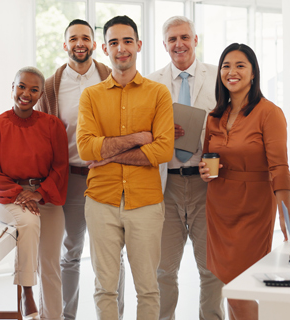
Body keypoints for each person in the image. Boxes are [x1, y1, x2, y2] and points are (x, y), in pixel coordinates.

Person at [76, 15, 174, 320]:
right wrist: (136, 140)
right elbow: (86, 148)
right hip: (100, 200)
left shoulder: (158, 93)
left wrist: (108, 153)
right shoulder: (90, 96)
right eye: (114, 42)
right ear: (105, 48)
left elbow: (163, 149)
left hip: (145, 202)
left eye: (127, 41)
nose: (122, 49)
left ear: (139, 45)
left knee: (148, 288)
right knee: (105, 287)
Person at [199, 43, 290, 320]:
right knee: (230, 287)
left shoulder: (269, 112)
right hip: (219, 208)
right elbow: (208, 159)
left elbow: (280, 167)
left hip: (253, 208)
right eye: (226, 66)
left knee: (239, 291)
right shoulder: (214, 116)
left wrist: (285, 214)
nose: (232, 72)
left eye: (240, 66)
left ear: (254, 73)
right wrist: (204, 170)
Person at [35, 18, 125, 320]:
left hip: (108, 175)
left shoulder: (110, 77)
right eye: (73, 38)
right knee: (70, 253)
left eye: (85, 37)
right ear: (65, 45)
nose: (79, 43)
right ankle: (66, 316)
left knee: (112, 255)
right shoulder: (51, 87)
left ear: (94, 44)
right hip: (70, 179)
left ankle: (112, 315)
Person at [147, 16, 224, 320]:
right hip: (167, 185)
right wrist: (161, 133)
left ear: (195, 40)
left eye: (184, 37)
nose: (179, 44)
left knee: (211, 268)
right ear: (164, 44)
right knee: (164, 269)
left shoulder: (219, 77)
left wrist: (214, 162)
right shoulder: (152, 82)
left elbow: (228, 127)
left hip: (207, 185)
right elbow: (143, 131)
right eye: (172, 39)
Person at [0, 66, 69, 320]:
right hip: (8, 195)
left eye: (33, 90)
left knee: (51, 264)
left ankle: (53, 316)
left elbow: (60, 166)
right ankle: (26, 290)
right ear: (12, 88)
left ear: (41, 94)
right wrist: (21, 194)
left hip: (46, 193)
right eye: (21, 87)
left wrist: (40, 194)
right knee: (29, 222)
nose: (26, 94)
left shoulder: (52, 126)